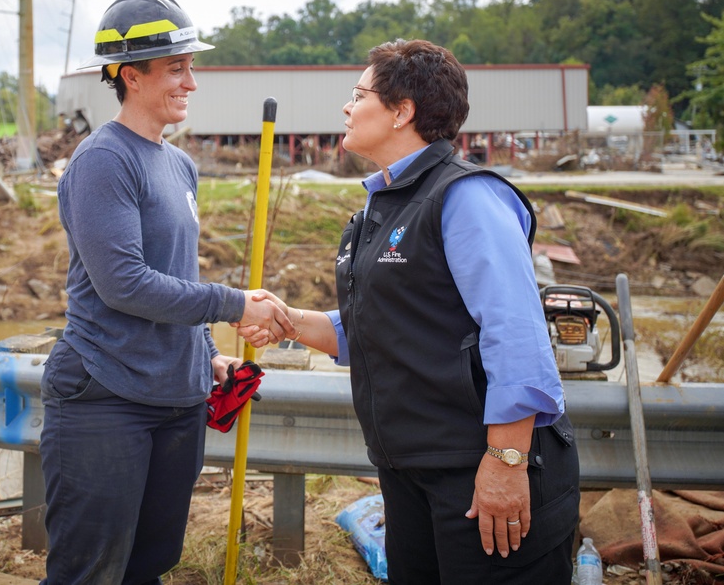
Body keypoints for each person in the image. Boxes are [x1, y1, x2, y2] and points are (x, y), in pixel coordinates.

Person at [240, 39, 580, 583]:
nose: (347, 108)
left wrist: (506, 463)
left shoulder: (466, 198)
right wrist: (290, 320)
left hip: (481, 471)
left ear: (403, 111)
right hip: (410, 472)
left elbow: (516, 337)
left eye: (358, 94)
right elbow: (378, 329)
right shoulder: (382, 206)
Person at [38, 0, 295, 585]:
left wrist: (206, 357)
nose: (191, 82)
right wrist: (235, 303)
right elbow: (123, 283)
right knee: (91, 572)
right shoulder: (103, 160)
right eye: (176, 68)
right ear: (132, 75)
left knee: (150, 566)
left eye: (191, 67)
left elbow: (173, 276)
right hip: (106, 395)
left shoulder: (178, 165)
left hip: (175, 398)